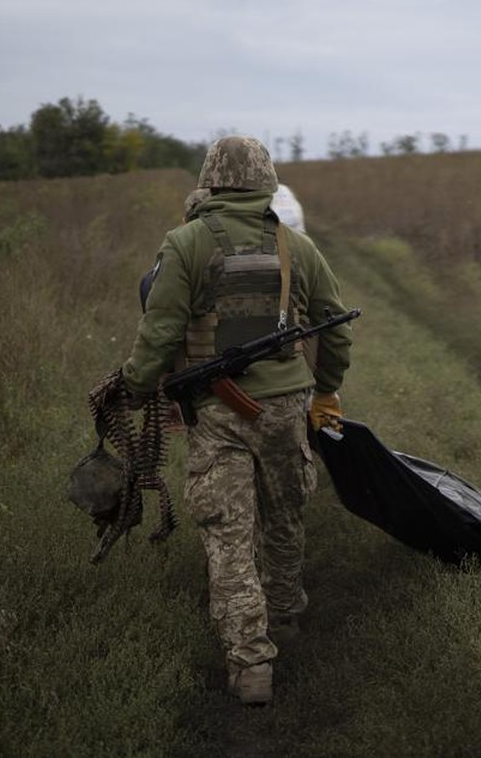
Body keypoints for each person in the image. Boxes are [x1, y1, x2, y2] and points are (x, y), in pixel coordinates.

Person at [121, 135, 353, 703]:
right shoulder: (297, 246)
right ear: (266, 182)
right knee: (285, 518)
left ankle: (251, 664)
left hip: (217, 412)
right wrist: (325, 391)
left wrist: (134, 389)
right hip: (287, 408)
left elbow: (159, 331)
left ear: (211, 181)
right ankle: (284, 620)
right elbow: (335, 329)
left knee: (227, 533)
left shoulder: (185, 243)